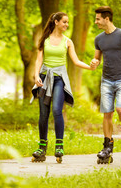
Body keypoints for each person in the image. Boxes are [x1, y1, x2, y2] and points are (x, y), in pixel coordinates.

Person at [30, 12, 93, 163]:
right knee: (43, 114)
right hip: (44, 77)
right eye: (64, 22)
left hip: (59, 79)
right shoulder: (44, 39)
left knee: (57, 110)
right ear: (56, 22)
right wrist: (36, 76)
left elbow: (76, 61)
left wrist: (90, 67)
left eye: (68, 22)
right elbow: (38, 60)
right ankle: (42, 148)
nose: (67, 24)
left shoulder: (68, 42)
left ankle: (59, 146)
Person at [90, 6, 121, 164]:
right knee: (107, 114)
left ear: (106, 19)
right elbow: (97, 58)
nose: (96, 21)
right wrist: (94, 62)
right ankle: (107, 146)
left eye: (98, 19)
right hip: (106, 80)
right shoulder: (99, 39)